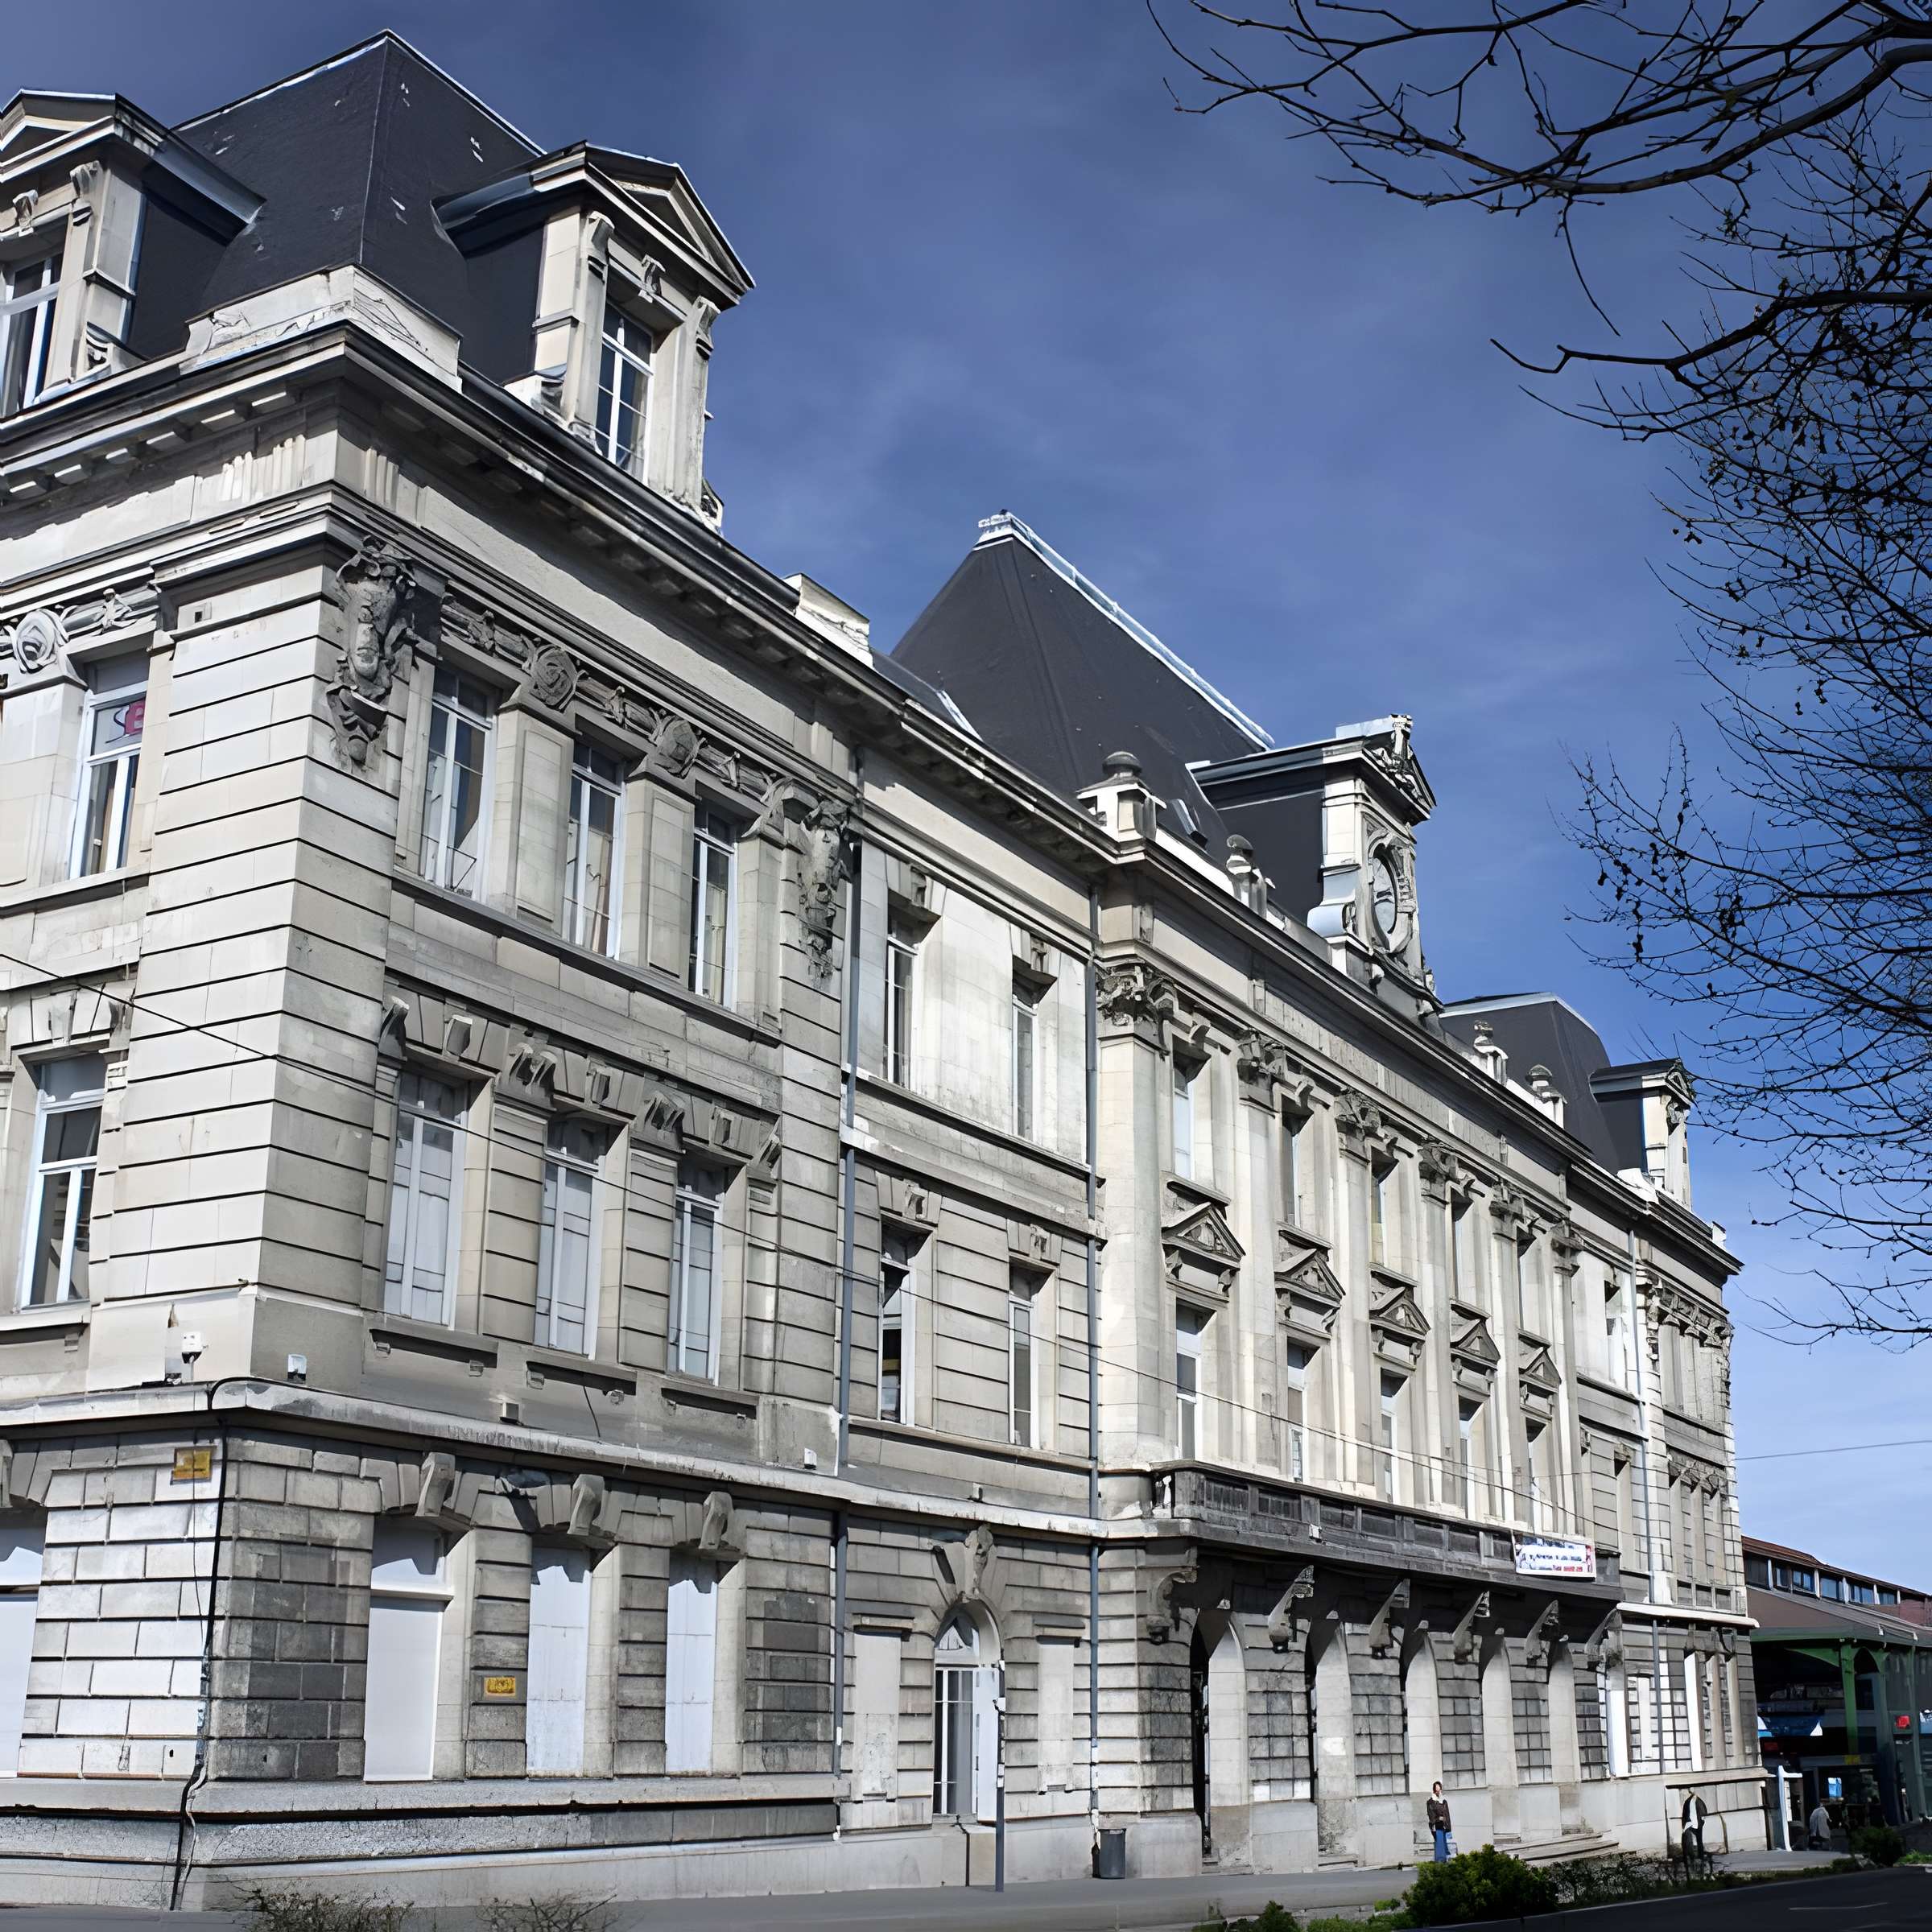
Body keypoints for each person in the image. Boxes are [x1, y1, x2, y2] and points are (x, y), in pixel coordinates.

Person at [1426, 1781, 1452, 1862]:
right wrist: (1439, 1818)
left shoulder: (1444, 1802)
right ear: (1434, 1790)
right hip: (1437, 1827)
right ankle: (1440, 1862)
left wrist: (1449, 1828)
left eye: (1439, 1789)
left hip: (1445, 1826)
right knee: (1440, 1845)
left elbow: (1447, 1815)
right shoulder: (1430, 1802)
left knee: (1447, 1846)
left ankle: (1447, 1862)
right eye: (1436, 1789)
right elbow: (1431, 1816)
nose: (1438, 1791)